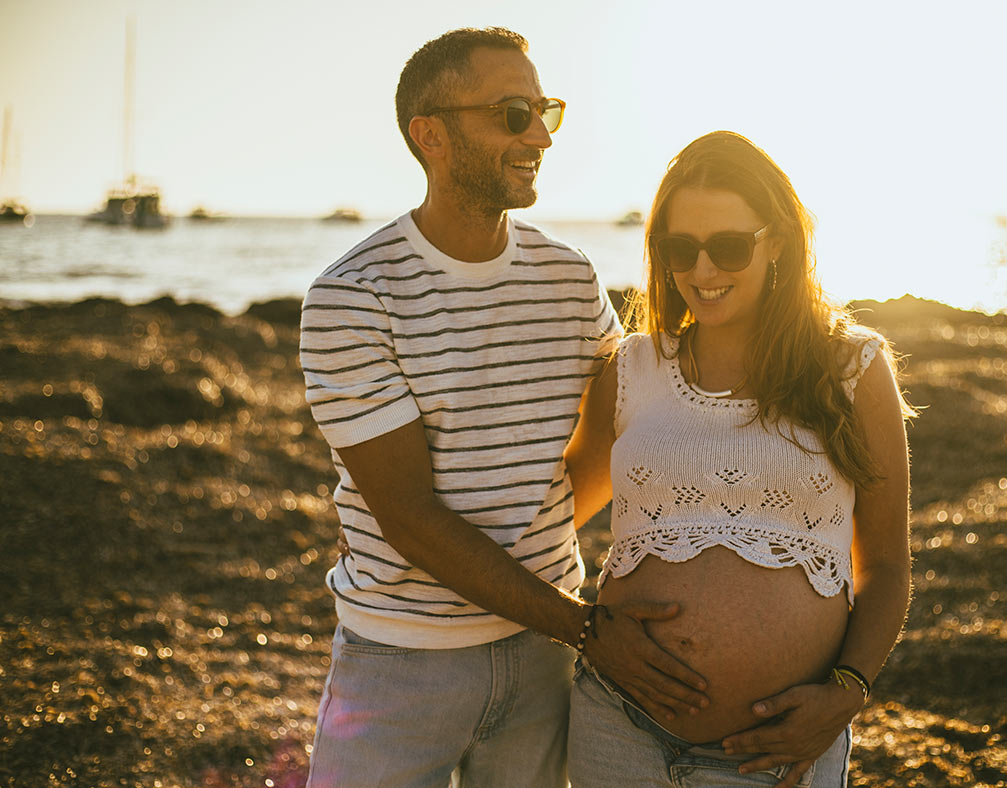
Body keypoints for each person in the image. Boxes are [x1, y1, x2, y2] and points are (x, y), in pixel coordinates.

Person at [298, 27, 708, 788]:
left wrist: (540, 546)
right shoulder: (352, 298)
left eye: (545, 109)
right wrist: (587, 627)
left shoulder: (569, 276)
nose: (541, 135)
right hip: (399, 664)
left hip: (541, 659)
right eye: (513, 113)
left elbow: (608, 439)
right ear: (431, 136)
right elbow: (408, 516)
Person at [564, 131, 914, 787]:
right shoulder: (631, 369)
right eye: (679, 249)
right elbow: (552, 515)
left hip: (773, 750)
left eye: (726, 246)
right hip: (615, 727)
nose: (701, 270)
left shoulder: (853, 368)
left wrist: (848, 688)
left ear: (775, 241)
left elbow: (888, 563)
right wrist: (581, 627)